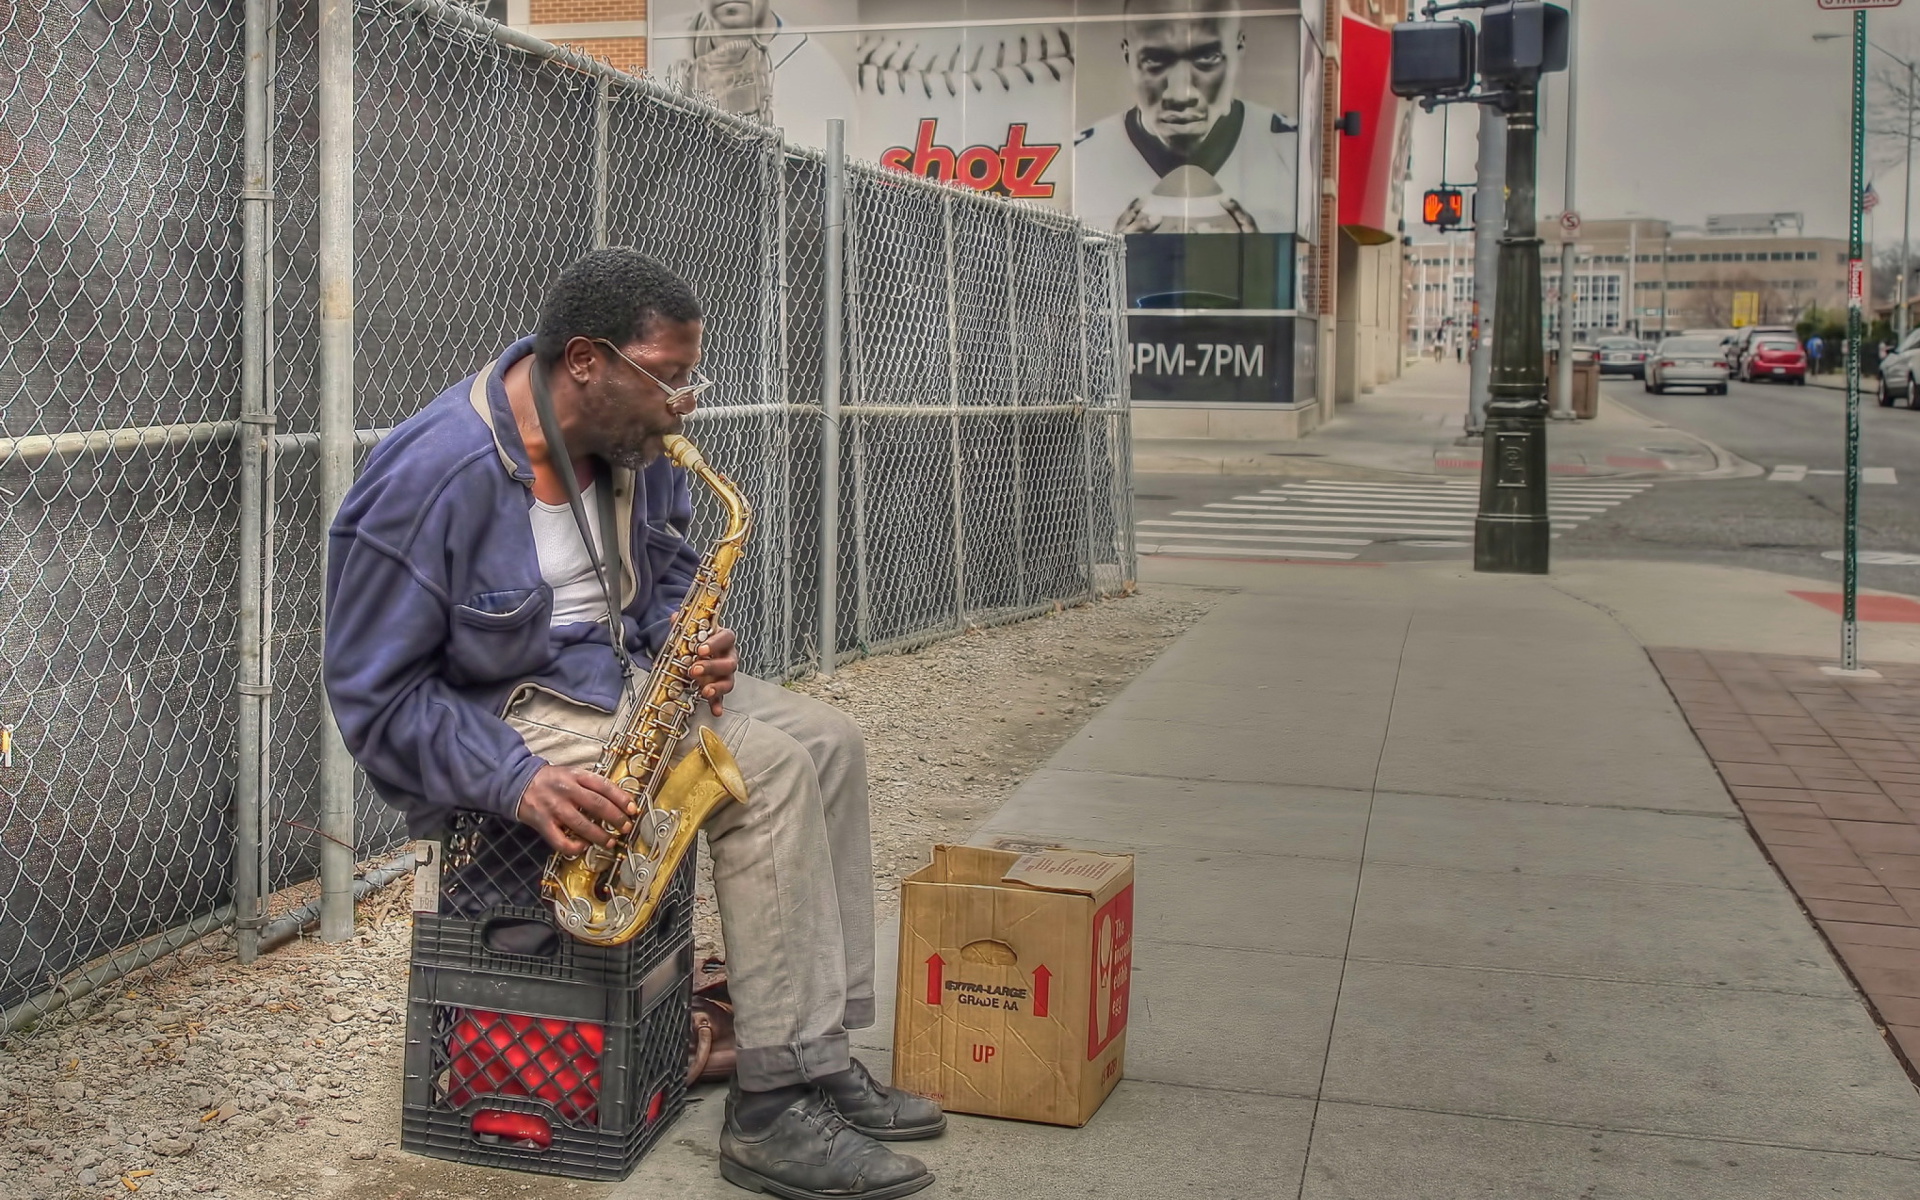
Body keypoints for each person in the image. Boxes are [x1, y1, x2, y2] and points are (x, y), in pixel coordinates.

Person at [323, 250, 941, 1200]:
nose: (682, 403)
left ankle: (817, 1056)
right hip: (513, 719)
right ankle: (772, 1113)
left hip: (624, 681)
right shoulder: (431, 474)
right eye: (669, 376)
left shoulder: (632, 444)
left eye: (690, 377)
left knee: (829, 745)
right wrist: (513, 778)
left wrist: (693, 644)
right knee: (763, 773)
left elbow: (667, 578)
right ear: (585, 361)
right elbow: (373, 691)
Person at [1072, 0, 1297, 235]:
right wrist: (1107, 260)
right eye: (1154, 61)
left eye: (1208, 57)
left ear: (1238, 48)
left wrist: (1259, 259)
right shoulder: (1081, 160)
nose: (1180, 94)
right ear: (1128, 55)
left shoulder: (1290, 151)